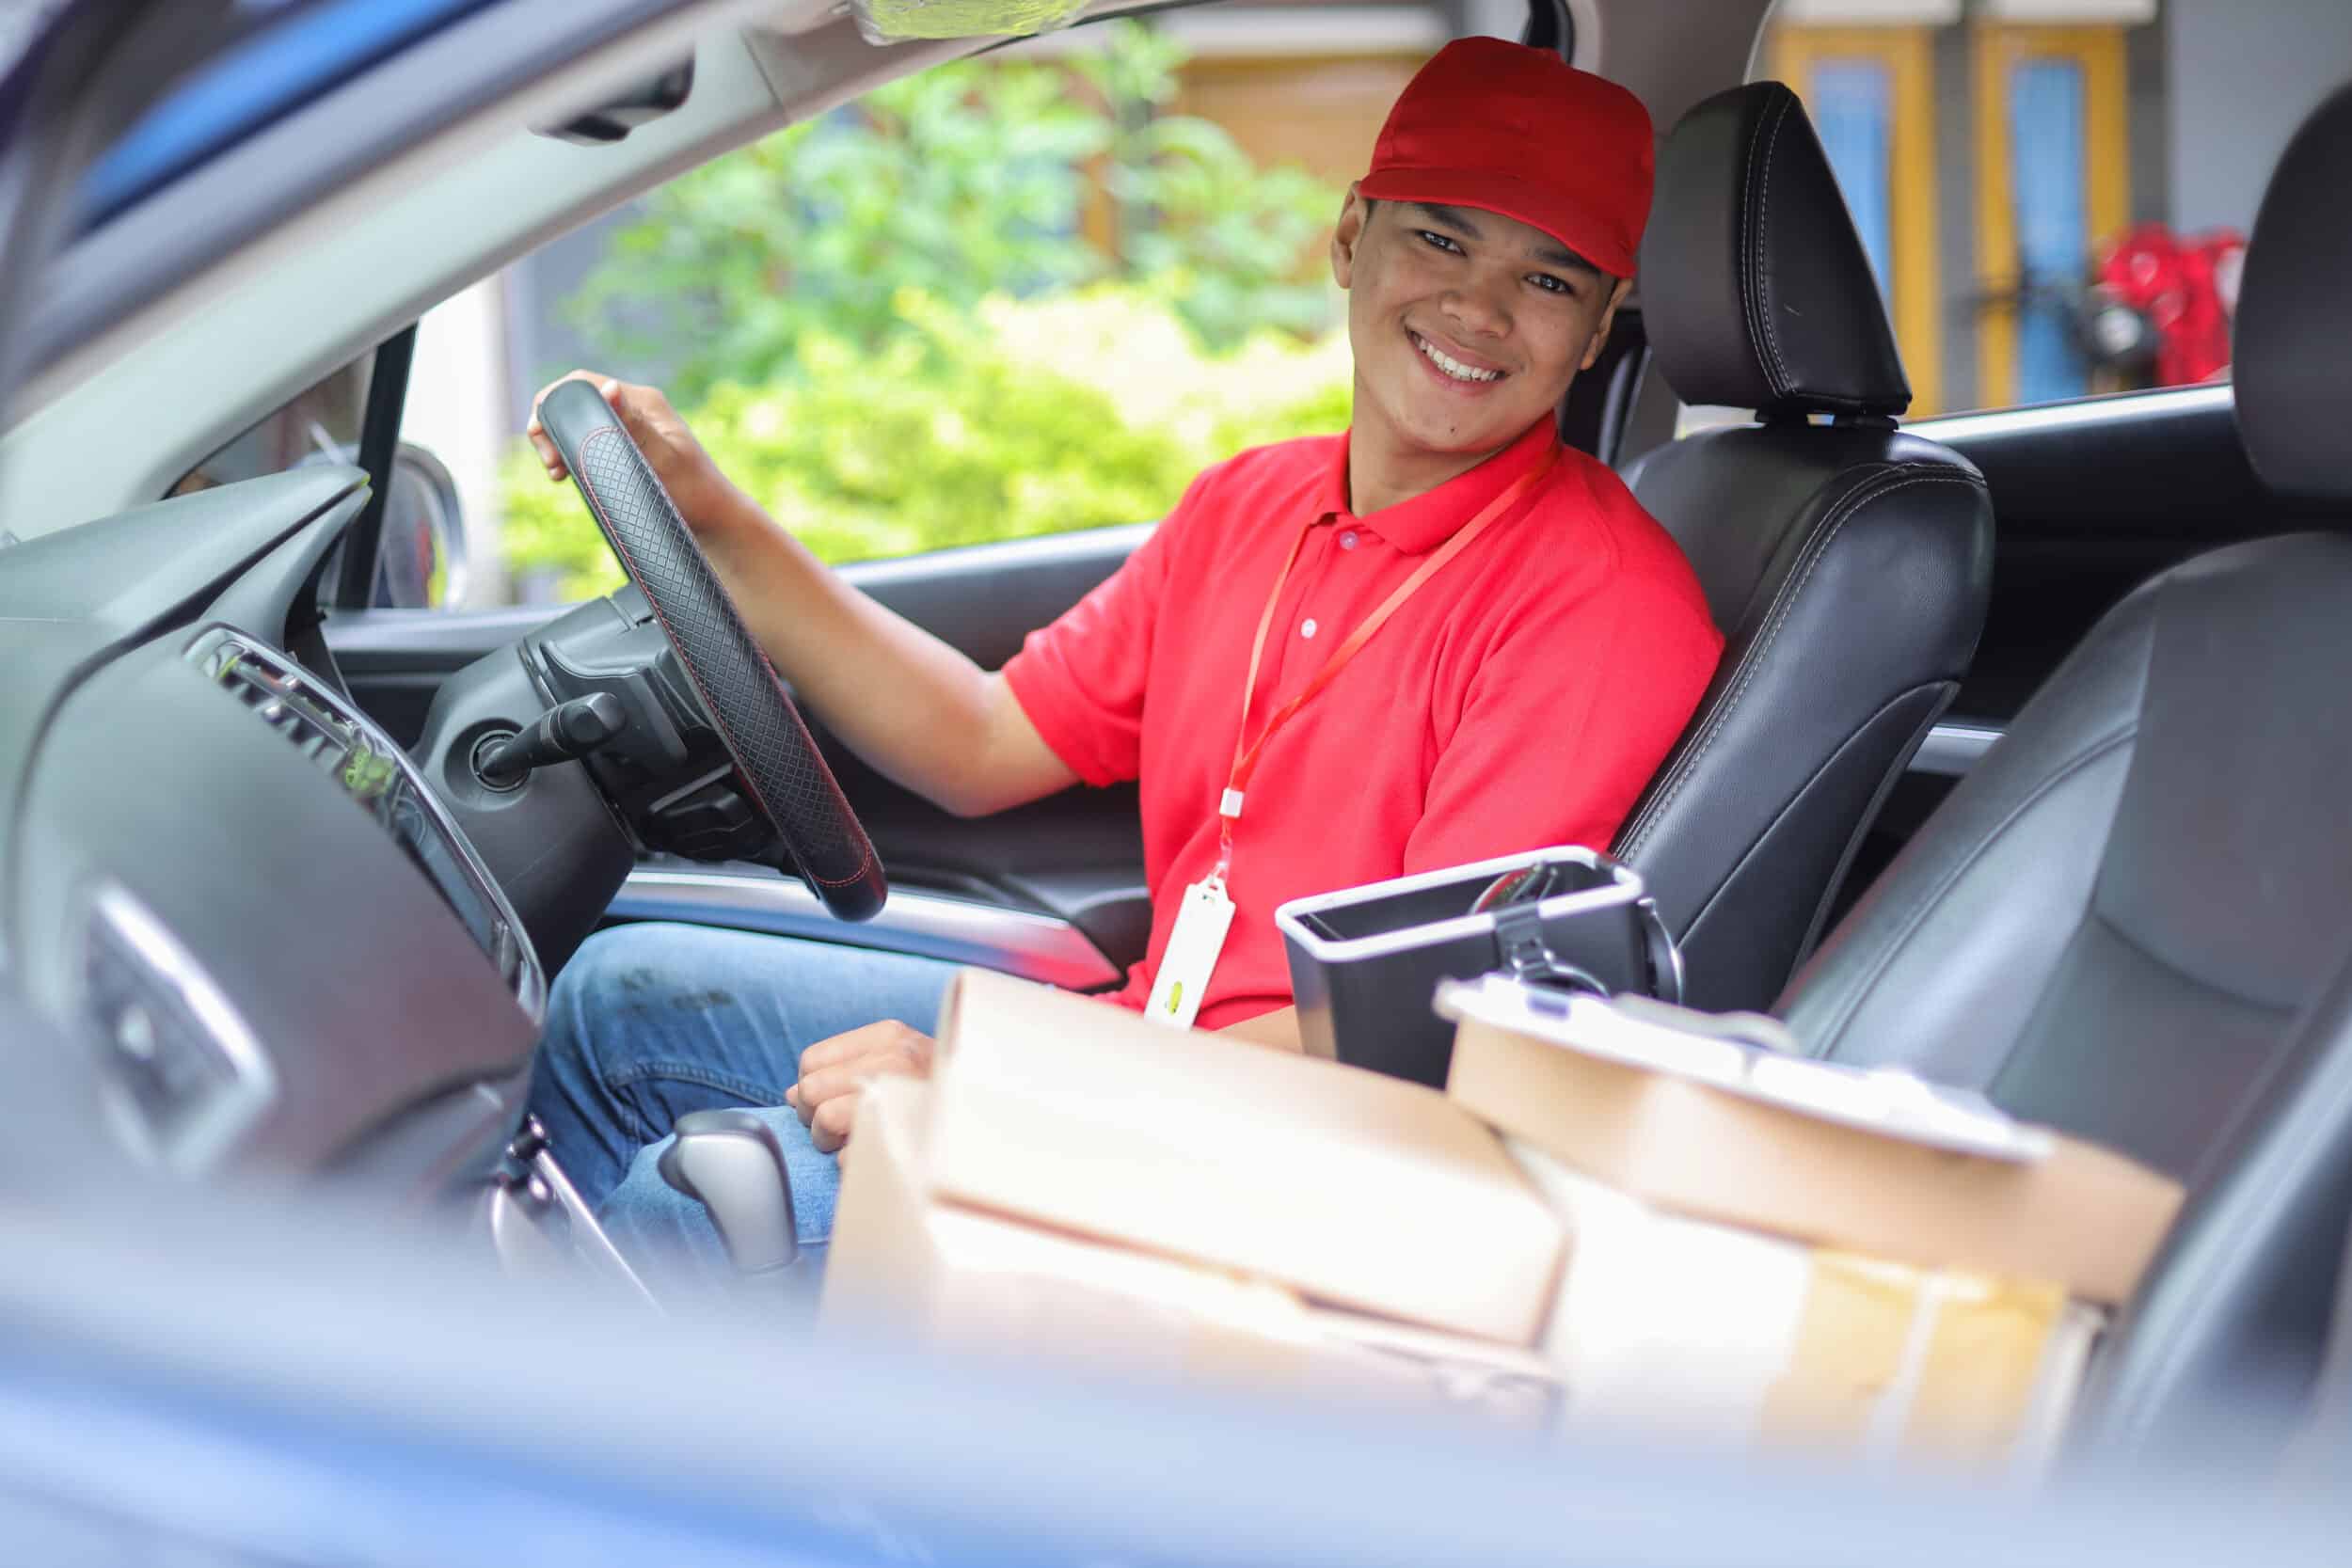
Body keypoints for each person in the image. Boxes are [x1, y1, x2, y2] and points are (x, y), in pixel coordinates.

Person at [523, 37, 1724, 1277]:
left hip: (1301, 1161)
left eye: (1550, 279)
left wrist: (1006, 1089)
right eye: (1440, 239)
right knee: (616, 997)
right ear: (1349, 238)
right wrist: (713, 520)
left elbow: (1419, 1032)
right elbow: (983, 743)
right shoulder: (1252, 504)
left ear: (1595, 332)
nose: (1478, 309)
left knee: (700, 1208)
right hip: (1146, 1049)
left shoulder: (1600, 604)